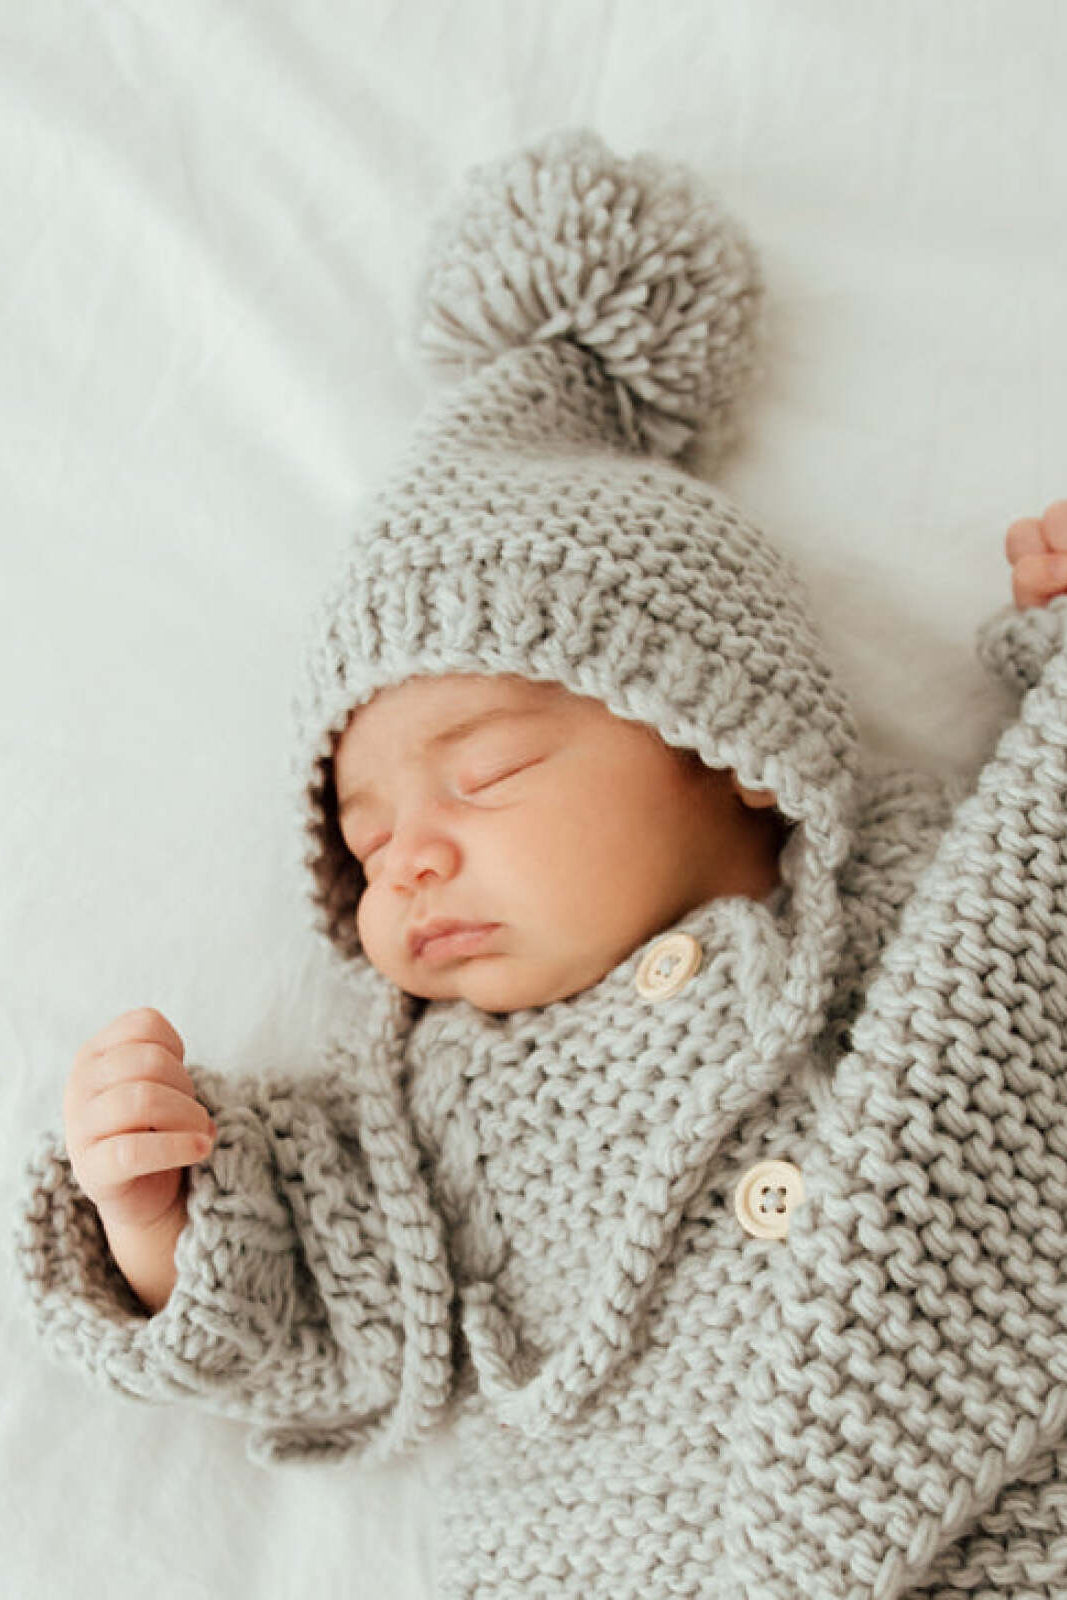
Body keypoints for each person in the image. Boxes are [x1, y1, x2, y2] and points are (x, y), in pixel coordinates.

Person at [15, 129, 1067, 1599]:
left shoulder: (911, 892)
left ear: (729, 741)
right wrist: (158, 1217)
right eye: (364, 847)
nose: (411, 864)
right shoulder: (435, 1105)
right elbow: (311, 1299)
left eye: (488, 771)